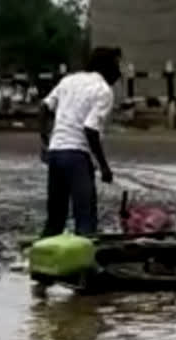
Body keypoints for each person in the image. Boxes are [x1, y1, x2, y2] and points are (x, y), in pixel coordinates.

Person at [38, 46, 122, 237]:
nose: (119, 73)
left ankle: (44, 253)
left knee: (55, 218)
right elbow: (90, 130)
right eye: (116, 66)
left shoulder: (69, 80)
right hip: (76, 156)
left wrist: (45, 141)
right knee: (85, 217)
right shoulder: (103, 90)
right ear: (106, 67)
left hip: (56, 152)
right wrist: (104, 167)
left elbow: (43, 108)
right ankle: (84, 256)